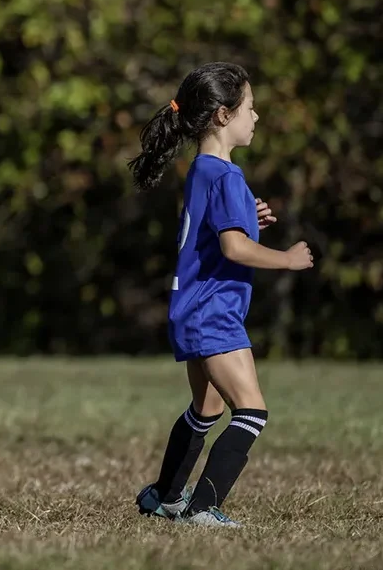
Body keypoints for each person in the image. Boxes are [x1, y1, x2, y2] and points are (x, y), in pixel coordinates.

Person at [127, 61, 314, 527]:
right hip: (214, 311)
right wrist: (287, 258)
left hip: (190, 307)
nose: (258, 117)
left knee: (205, 409)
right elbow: (233, 247)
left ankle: (163, 496)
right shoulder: (228, 176)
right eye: (251, 108)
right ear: (223, 116)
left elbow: (214, 231)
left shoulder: (203, 169)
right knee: (251, 411)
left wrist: (248, 215)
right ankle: (202, 508)